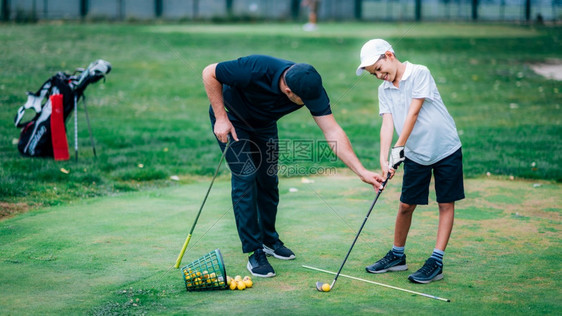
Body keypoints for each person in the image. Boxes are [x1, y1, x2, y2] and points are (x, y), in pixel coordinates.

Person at [202, 55, 384, 278]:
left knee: (268, 179)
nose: (309, 104)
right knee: (246, 177)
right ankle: (254, 250)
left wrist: (361, 171)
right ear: (288, 91)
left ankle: (268, 239)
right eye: (304, 101)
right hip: (232, 119)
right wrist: (220, 117)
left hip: (264, 124)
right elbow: (209, 72)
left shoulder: (309, 86)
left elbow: (332, 130)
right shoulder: (254, 69)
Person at [356, 39, 465, 284]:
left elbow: (414, 113)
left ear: (389, 55)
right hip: (416, 153)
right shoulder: (384, 89)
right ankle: (397, 255)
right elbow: (387, 123)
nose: (380, 76)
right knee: (406, 205)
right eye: (375, 74)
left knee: (445, 203)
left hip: (445, 147)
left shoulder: (419, 73)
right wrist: (384, 159)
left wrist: (398, 149)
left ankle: (436, 261)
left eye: (380, 69)